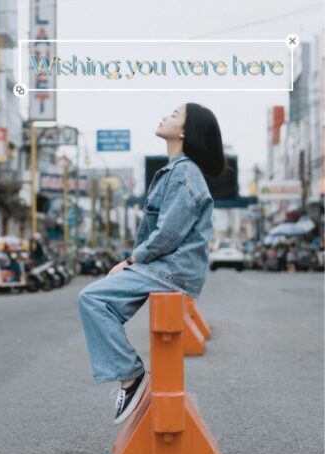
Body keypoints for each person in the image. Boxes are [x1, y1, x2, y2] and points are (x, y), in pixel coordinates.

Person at [78, 103, 224, 425]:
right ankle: (129, 375)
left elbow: (167, 234)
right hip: (167, 268)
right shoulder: (176, 170)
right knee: (103, 303)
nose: (165, 116)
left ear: (185, 131)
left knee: (92, 297)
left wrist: (130, 261)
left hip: (170, 269)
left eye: (174, 115)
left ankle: (131, 377)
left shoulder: (184, 173)